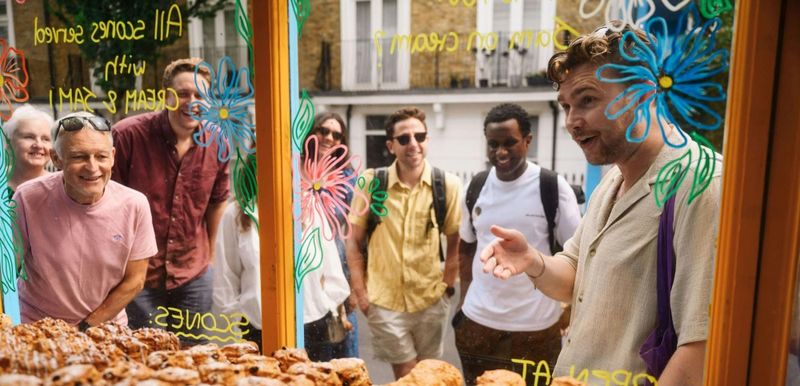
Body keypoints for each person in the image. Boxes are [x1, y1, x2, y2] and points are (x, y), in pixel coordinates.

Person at [479, 23, 722, 386]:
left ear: (642, 93)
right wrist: (532, 261)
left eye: (588, 100)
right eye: (566, 106)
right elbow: (575, 275)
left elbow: (700, 348)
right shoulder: (614, 178)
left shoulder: (701, 184)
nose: (572, 122)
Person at [454, 103, 581, 384]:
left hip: (536, 329)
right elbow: (466, 247)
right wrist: (464, 304)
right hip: (478, 325)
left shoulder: (552, 188)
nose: (500, 152)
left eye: (510, 143)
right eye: (493, 144)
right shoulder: (475, 187)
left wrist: (571, 309)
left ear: (527, 141)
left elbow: (581, 256)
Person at [112, 58, 230, 344]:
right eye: (183, 93)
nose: (191, 102)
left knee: (195, 359)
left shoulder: (217, 141)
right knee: (145, 358)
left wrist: (210, 256)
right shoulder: (128, 135)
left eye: (200, 95)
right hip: (137, 276)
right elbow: (108, 203)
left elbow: (217, 202)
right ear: (166, 95)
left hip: (193, 273)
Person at [347, 106, 462, 379]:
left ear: (427, 140)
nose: (413, 144)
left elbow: (456, 241)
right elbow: (353, 241)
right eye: (404, 138)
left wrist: (447, 286)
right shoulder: (372, 183)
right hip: (384, 302)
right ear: (391, 145)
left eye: (419, 136)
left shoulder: (446, 185)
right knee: (407, 374)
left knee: (428, 374)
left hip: (430, 300)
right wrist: (361, 294)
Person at [15, 112, 157, 328]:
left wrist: (86, 327)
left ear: (112, 156)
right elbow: (6, 269)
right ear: (56, 159)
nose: (92, 167)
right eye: (79, 156)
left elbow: (135, 280)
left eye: (101, 156)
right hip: (37, 328)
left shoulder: (134, 205)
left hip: (104, 329)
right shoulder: (27, 198)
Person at [309, 111, 360, 358]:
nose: (329, 137)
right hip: (307, 274)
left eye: (336, 134)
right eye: (323, 131)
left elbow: (357, 235)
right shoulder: (296, 171)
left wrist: (355, 285)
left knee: (345, 353)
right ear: (311, 133)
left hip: (339, 271)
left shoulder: (348, 177)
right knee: (315, 354)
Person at [212, 153, 262, 351]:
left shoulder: (298, 211)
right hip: (253, 325)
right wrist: (236, 320)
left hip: (300, 325)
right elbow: (226, 274)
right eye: (260, 171)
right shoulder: (235, 214)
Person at [4, 105, 54, 194]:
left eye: (45, 139)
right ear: (9, 143)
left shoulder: (63, 187)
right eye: (29, 137)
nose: (39, 145)